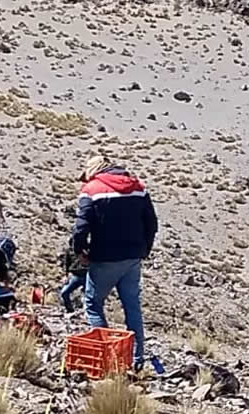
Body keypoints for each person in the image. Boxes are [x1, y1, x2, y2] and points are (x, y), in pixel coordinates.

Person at [72, 155, 158, 372]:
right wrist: (144, 249)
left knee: (93, 303)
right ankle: (136, 358)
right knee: (132, 306)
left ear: (94, 172)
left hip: (104, 257)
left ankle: (106, 356)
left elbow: (81, 227)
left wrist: (79, 251)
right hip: (132, 258)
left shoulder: (91, 190)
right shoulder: (138, 187)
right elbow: (151, 223)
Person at [59, 236, 88, 313]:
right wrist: (65, 275)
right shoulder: (69, 251)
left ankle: (87, 315)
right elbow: (66, 264)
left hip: (87, 276)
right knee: (64, 292)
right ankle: (70, 309)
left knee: (88, 297)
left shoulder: (86, 250)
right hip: (75, 276)